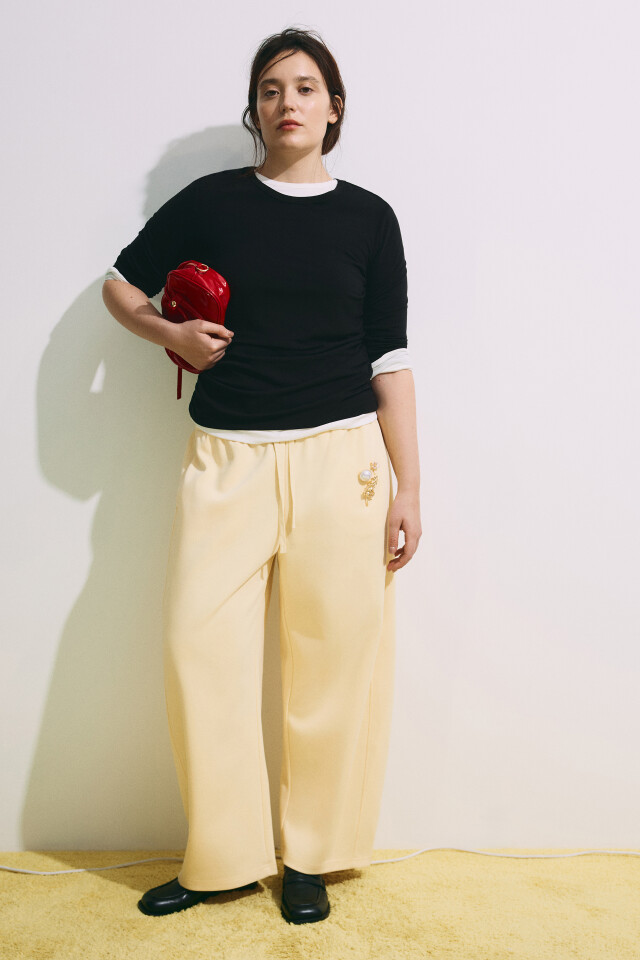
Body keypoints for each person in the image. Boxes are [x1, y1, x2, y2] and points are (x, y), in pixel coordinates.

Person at [102, 26, 421, 926]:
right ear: (255, 108)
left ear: (335, 107)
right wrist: (169, 333)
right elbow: (120, 285)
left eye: (307, 87)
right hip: (226, 457)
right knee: (198, 653)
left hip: (342, 461)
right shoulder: (212, 202)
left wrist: (410, 486)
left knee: (332, 664)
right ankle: (221, 860)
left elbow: (389, 358)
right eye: (272, 89)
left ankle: (312, 857)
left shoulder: (370, 218)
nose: (289, 102)